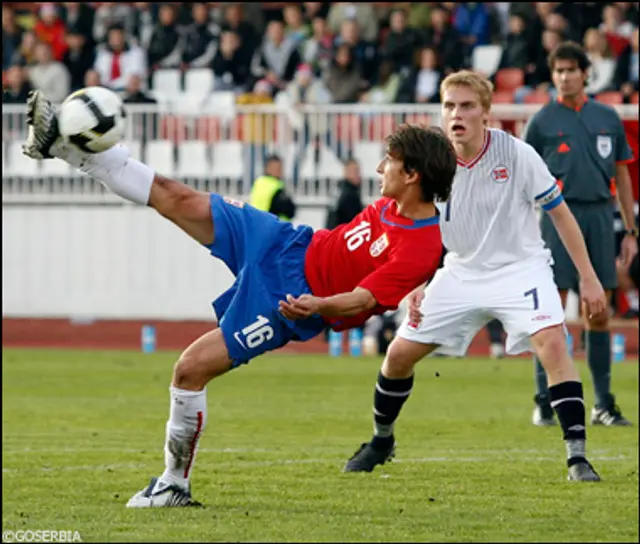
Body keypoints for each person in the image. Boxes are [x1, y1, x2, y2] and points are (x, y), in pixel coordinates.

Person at [22, 89, 458, 507]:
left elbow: (364, 300)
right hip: (285, 242)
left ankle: (173, 484)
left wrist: (318, 306)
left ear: (413, 175)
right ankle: (69, 149)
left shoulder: (422, 246)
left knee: (190, 369)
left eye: (391, 162)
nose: (380, 168)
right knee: (178, 197)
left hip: (287, 300)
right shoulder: (389, 206)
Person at [337, 70, 608, 482]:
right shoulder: (432, 165)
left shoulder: (517, 154)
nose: (456, 114)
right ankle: (381, 440)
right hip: (460, 272)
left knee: (552, 343)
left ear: (486, 112)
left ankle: (577, 458)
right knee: (397, 356)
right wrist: (418, 283)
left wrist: (587, 277)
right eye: (449, 106)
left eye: (466, 106)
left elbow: (560, 214)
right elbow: (417, 230)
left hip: (521, 269)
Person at [522, 41, 637, 427]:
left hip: (601, 219)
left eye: (571, 69)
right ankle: (544, 400)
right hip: (557, 217)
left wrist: (630, 229)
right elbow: (525, 177)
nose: (565, 77)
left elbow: (621, 173)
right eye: (558, 71)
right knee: (549, 312)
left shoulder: (608, 117)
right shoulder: (541, 121)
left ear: (586, 73)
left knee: (598, 311)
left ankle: (603, 403)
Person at [249, 154, 296, 221]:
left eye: (280, 168)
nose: (279, 171)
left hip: (258, 223)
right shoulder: (275, 186)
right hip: (273, 227)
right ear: (267, 168)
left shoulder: (258, 182)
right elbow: (289, 210)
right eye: (277, 168)